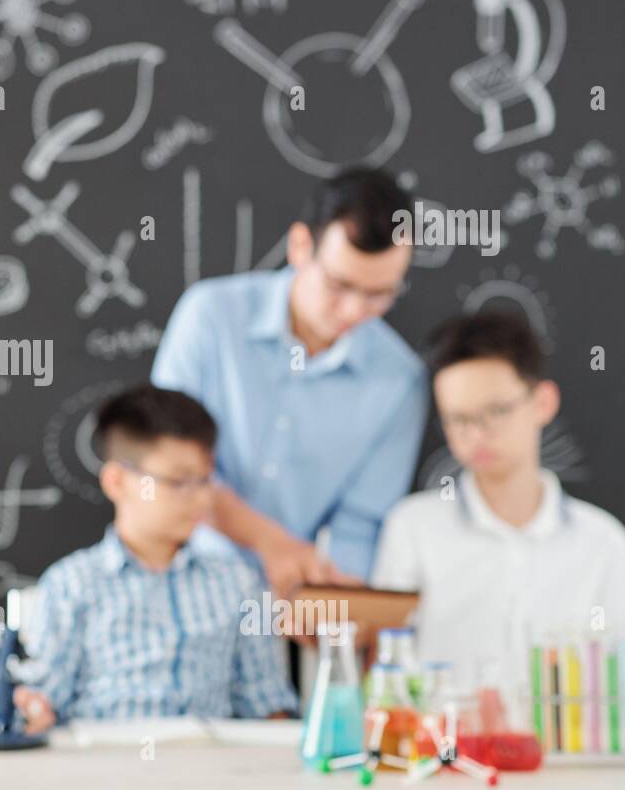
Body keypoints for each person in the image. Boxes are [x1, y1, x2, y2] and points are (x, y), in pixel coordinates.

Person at [151, 167, 427, 594]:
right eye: (339, 285)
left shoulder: (399, 382)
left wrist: (330, 598)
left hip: (299, 609)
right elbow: (167, 464)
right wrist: (272, 545)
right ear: (301, 246)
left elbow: (361, 526)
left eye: (379, 294)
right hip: (174, 586)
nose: (354, 311)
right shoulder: (210, 318)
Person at [372, 311, 625, 690]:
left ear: (542, 402)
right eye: (458, 420)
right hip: (447, 747)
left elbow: (619, 680)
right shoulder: (413, 528)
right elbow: (390, 665)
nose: (477, 435)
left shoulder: (603, 544)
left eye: (496, 412)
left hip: (566, 748)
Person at [14, 384, 297, 734]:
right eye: (178, 482)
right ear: (117, 482)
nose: (201, 501)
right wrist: (34, 709)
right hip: (103, 774)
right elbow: (44, 699)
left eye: (205, 480)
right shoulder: (72, 583)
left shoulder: (239, 584)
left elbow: (267, 706)